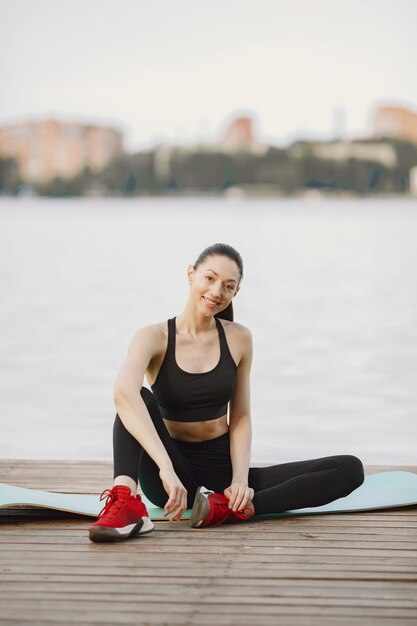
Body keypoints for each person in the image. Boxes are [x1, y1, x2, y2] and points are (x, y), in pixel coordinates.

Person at [88, 242, 364, 542]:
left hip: (221, 473)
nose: (217, 291)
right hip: (169, 474)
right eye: (210, 278)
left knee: (349, 468)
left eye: (228, 286)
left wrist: (240, 481)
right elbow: (122, 394)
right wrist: (166, 470)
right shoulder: (152, 337)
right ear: (191, 274)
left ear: (235, 293)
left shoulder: (239, 338)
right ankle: (126, 501)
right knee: (136, 396)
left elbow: (241, 415)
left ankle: (229, 509)